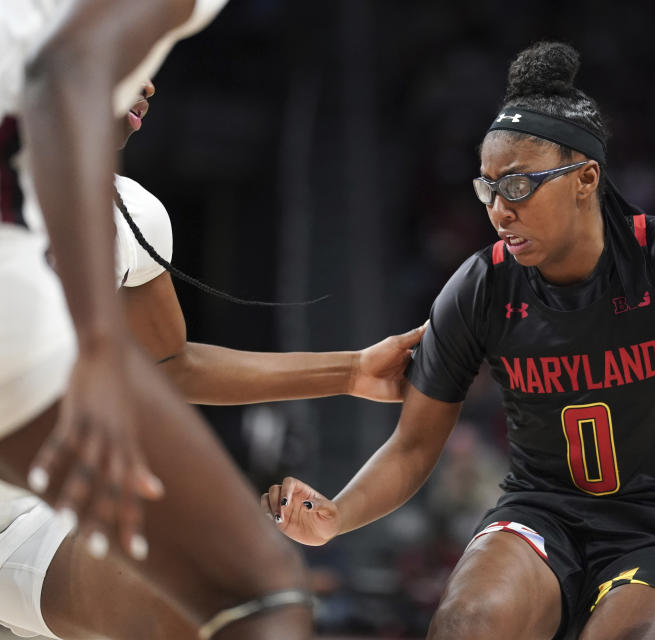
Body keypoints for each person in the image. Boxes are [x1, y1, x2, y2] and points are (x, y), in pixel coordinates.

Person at [264, 41, 655, 640]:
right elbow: (413, 448)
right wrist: (337, 516)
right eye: (486, 189)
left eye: (517, 186)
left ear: (585, 179)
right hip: (541, 515)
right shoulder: (480, 287)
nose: (498, 210)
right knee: (466, 624)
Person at [0, 75, 425, 638]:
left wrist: (349, 371)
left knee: (225, 590)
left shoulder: (130, 213)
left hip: (40, 520)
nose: (149, 79)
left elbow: (169, 365)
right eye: (128, 50)